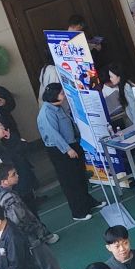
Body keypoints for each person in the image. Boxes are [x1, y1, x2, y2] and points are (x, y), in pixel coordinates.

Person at [36, 83, 95, 220]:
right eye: (61, 93)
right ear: (54, 95)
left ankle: (88, 202)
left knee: (80, 176)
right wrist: (67, 149)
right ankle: (78, 211)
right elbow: (53, 134)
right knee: (70, 181)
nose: (64, 95)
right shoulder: (46, 112)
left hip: (72, 143)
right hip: (61, 149)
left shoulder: (58, 106)